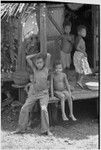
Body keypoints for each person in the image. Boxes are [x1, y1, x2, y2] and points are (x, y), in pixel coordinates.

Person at [14, 52, 52, 136]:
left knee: (43, 109)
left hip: (44, 93)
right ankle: (21, 129)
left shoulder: (46, 68)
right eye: (37, 63)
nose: (39, 64)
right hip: (34, 93)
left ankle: (46, 130)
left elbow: (48, 55)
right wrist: (36, 55)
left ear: (43, 63)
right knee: (24, 108)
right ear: (35, 63)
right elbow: (27, 58)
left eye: (41, 62)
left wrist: (41, 54)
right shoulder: (34, 69)